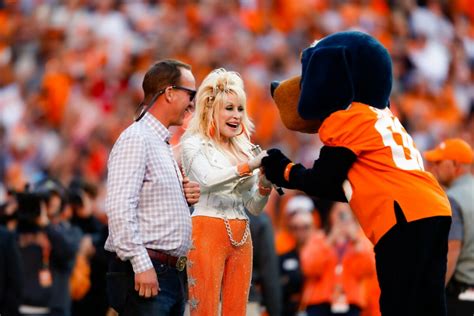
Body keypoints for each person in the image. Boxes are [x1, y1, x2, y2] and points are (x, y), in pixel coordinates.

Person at [104, 59, 201, 316]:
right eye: (190, 93)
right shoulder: (137, 138)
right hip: (148, 271)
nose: (193, 102)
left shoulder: (159, 142)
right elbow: (118, 207)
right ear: (169, 93)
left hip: (168, 273)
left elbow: (149, 204)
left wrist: (184, 200)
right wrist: (140, 263)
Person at [180, 68, 271, 315]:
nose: (236, 116)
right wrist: (249, 166)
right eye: (229, 108)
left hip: (242, 234)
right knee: (205, 309)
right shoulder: (193, 144)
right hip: (207, 228)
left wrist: (265, 185)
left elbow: (252, 207)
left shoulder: (245, 147)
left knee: (237, 310)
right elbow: (208, 180)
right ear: (210, 109)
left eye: (240, 109)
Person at [424, 138, 474, 315]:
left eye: (439, 162)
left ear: (455, 165)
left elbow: (451, 252)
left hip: (459, 297)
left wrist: (431, 297)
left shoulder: (452, 198)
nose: (433, 166)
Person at [301, 202, 377, 316]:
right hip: (319, 303)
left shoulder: (360, 241)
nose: (342, 217)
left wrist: (355, 241)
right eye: (338, 212)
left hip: (350, 304)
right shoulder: (319, 238)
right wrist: (330, 240)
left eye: (346, 212)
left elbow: (368, 269)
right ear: (330, 215)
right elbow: (310, 268)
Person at [247, 210, 282, 316]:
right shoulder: (258, 218)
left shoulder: (196, 211)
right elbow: (269, 274)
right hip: (247, 303)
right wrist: (275, 311)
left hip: (204, 302)